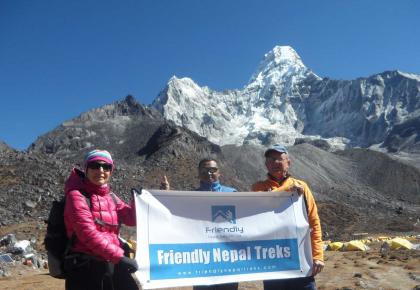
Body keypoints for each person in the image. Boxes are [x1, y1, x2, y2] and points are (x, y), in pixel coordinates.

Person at [63, 149, 139, 290]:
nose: (101, 170)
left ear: (111, 170)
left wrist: (138, 200)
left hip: (112, 263)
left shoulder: (111, 197)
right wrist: (120, 258)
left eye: (106, 166)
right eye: (95, 165)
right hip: (87, 269)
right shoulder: (76, 195)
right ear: (86, 169)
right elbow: (87, 233)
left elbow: (132, 219)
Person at [251, 144, 324, 290]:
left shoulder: (301, 187)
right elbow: (252, 222)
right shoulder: (258, 188)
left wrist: (318, 256)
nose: (276, 163)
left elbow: (313, 223)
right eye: (271, 160)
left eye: (280, 159)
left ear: (288, 163)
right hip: (272, 261)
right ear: (266, 165)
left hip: (300, 259)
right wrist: (286, 191)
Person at [161, 158, 238, 290]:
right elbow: (175, 214)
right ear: (198, 173)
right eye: (205, 170)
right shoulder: (191, 197)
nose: (209, 173)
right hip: (202, 261)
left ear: (219, 173)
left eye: (213, 170)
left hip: (228, 261)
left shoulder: (233, 194)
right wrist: (166, 195)